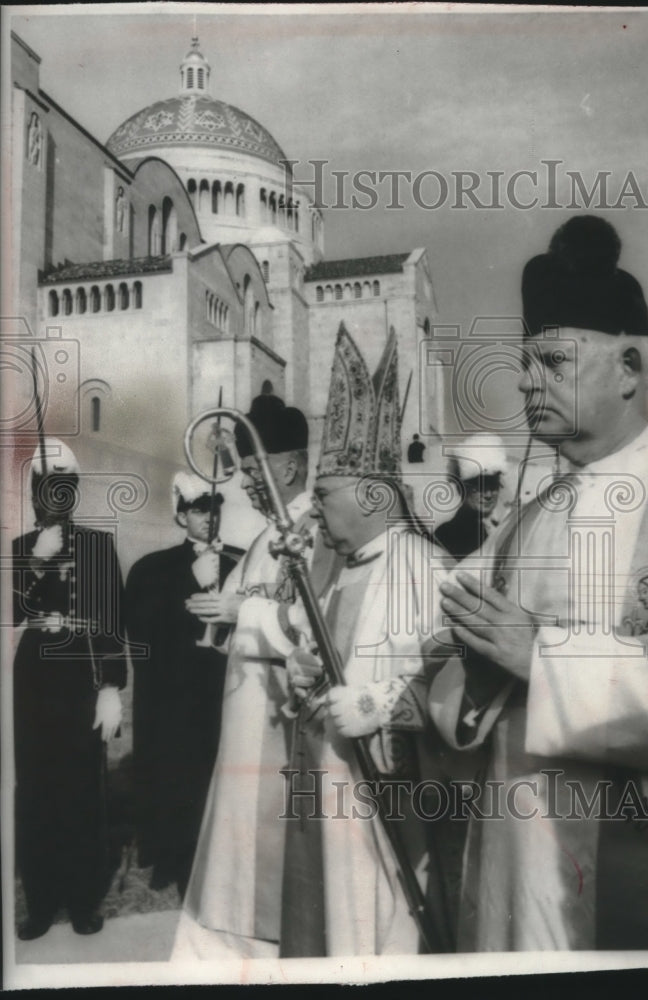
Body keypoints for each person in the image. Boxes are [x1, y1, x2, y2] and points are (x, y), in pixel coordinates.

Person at [429, 215, 648, 950]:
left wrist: (545, 661)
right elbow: (440, 649)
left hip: (642, 865)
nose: (526, 383)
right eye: (523, 365)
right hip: (512, 860)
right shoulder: (524, 519)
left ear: (627, 367)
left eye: (551, 365)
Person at [279, 324, 448, 957]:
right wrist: (306, 673)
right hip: (329, 790)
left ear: (373, 492)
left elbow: (456, 688)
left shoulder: (424, 568)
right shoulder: (337, 568)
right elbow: (328, 657)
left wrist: (381, 705)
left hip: (392, 807)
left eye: (323, 495)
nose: (315, 511)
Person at [172, 393, 336, 959]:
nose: (244, 485)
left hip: (280, 712)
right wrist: (222, 608)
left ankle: (267, 922)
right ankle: (240, 917)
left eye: (250, 471)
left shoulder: (316, 528)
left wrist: (241, 611)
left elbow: (322, 620)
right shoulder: (270, 533)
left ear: (286, 467)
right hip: (248, 704)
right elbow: (245, 600)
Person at [13, 438, 126, 939]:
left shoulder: (100, 547)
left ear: (73, 494)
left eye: (62, 490)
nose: (52, 499)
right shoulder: (18, 549)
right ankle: (41, 902)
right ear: (35, 494)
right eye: (44, 489)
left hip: (83, 677)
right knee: (37, 790)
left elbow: (112, 625)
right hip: (35, 683)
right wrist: (34, 564)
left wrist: (112, 688)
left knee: (84, 791)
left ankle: (83, 900)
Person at [125, 472, 241, 896]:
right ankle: (169, 857)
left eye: (215, 508)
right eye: (198, 509)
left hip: (220, 692)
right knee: (170, 776)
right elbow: (136, 630)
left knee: (215, 775)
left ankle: (209, 861)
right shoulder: (152, 568)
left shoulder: (240, 562)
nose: (209, 517)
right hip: (169, 698)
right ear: (180, 516)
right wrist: (190, 581)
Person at [434, 434, 507, 561]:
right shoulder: (447, 533)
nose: (488, 495)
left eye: (493, 485)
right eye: (479, 487)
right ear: (461, 488)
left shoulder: (501, 527)